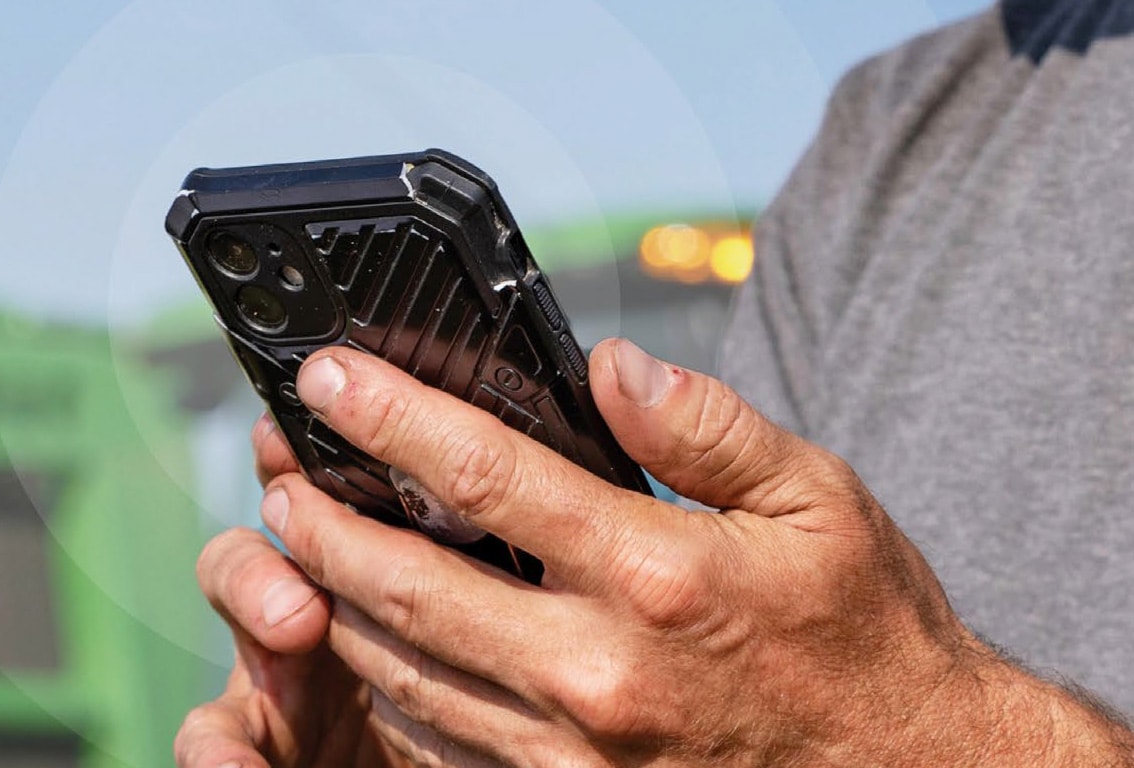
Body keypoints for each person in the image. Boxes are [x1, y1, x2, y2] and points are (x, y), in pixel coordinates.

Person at [174, 1, 1134, 765]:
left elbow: (801, 718)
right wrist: (461, 713)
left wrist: (936, 742)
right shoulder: (890, 135)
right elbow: (721, 693)